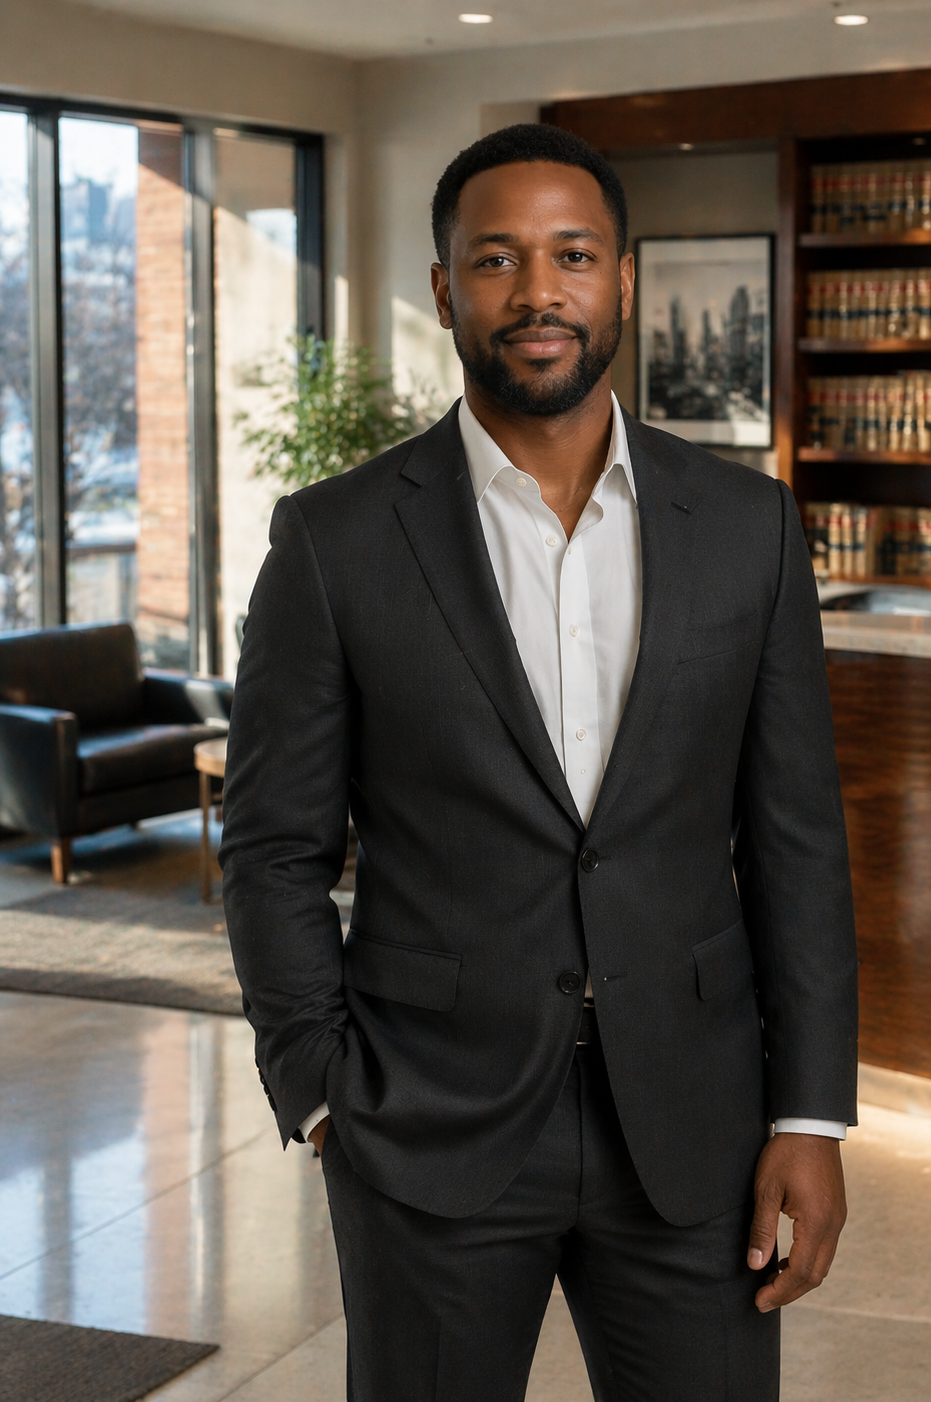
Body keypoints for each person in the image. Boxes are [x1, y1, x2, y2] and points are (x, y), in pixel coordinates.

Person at [220, 123, 858, 1402]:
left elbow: (793, 837)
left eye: (572, 254)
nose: (539, 289)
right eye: (498, 258)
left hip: (694, 1128)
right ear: (446, 289)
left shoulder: (749, 527)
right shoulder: (336, 539)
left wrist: (810, 1114)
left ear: (624, 277)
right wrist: (325, 1092)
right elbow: (273, 844)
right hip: (426, 1124)